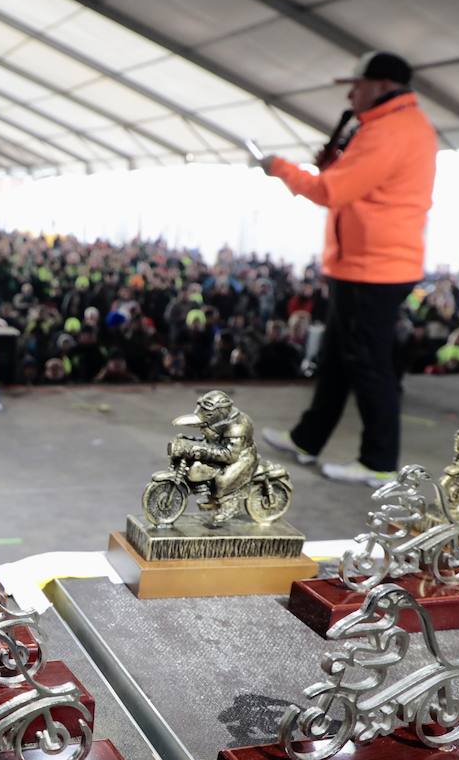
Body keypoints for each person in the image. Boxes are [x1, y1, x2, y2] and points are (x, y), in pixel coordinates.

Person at [258, 52, 436, 486]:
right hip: (367, 264)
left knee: (368, 366)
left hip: (371, 268)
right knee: (339, 360)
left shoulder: (388, 132)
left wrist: (278, 168)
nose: (351, 93)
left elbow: (330, 191)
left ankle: (379, 462)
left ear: (380, 85)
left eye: (356, 85)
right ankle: (307, 439)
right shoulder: (391, 126)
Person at [168, 390, 258, 523]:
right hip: (222, 449)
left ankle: (230, 505)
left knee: (222, 480)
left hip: (242, 456)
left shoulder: (237, 426)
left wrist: (199, 450)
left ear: (219, 412)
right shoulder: (216, 421)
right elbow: (209, 441)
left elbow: (230, 455)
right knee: (199, 466)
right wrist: (189, 441)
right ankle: (211, 494)